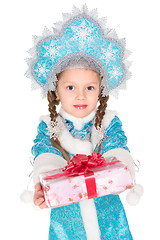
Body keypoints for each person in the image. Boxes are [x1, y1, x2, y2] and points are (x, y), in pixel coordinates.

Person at [25, 4, 142, 240]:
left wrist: (121, 169)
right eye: (70, 87)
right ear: (56, 91)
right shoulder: (48, 127)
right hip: (68, 217)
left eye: (89, 88)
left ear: (100, 90)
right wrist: (46, 184)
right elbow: (45, 152)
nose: (81, 95)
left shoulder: (109, 122)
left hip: (108, 214)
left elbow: (117, 148)